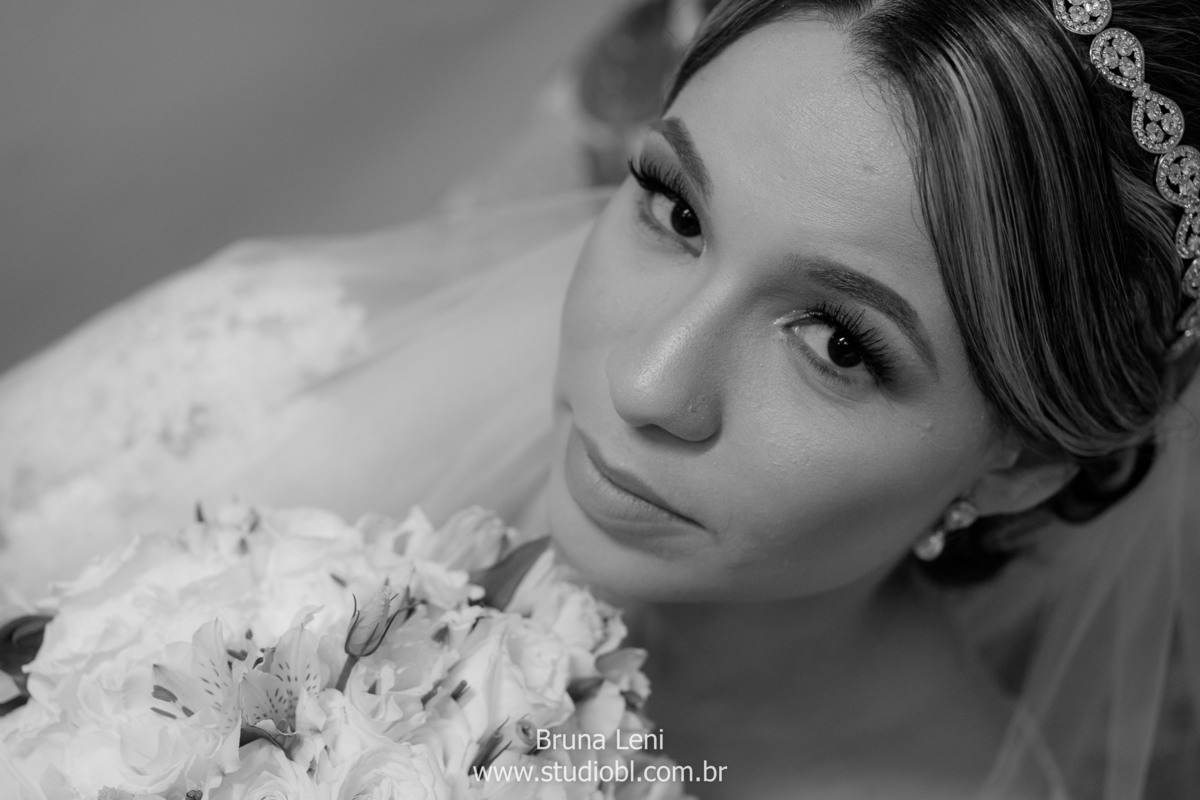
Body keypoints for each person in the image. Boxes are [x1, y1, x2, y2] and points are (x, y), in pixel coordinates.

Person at [1, 0, 1198, 797]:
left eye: (838, 343)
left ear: (1021, 462)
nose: (647, 383)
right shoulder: (264, 390)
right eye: (676, 210)